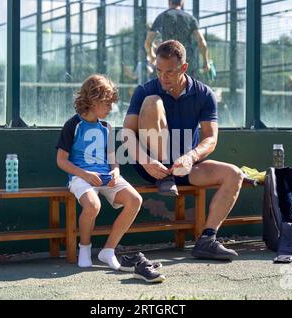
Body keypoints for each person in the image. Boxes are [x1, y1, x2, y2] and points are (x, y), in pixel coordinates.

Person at [122, 40, 243, 260]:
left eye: (169, 72)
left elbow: (211, 138)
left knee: (234, 174)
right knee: (152, 102)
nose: (163, 77)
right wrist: (146, 161)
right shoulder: (144, 90)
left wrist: (191, 157)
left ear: (184, 68)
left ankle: (207, 240)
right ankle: (163, 177)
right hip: (153, 167)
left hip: (185, 167)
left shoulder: (204, 94)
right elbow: (127, 133)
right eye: (159, 70)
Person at [56, 75, 160, 278]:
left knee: (135, 200)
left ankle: (108, 250)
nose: (111, 108)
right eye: (107, 103)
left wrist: (116, 171)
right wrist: (85, 174)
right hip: (81, 177)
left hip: (107, 177)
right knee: (93, 205)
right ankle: (84, 247)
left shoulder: (107, 128)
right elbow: (61, 161)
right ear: (93, 100)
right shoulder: (72, 125)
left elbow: (113, 159)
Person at [144, 0, 211, 79]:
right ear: (182, 3)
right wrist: (206, 62)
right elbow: (202, 42)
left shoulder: (162, 16)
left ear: (169, 2)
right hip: (186, 62)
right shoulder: (190, 18)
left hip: (167, 61)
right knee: (189, 87)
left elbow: (148, 42)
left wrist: (151, 55)